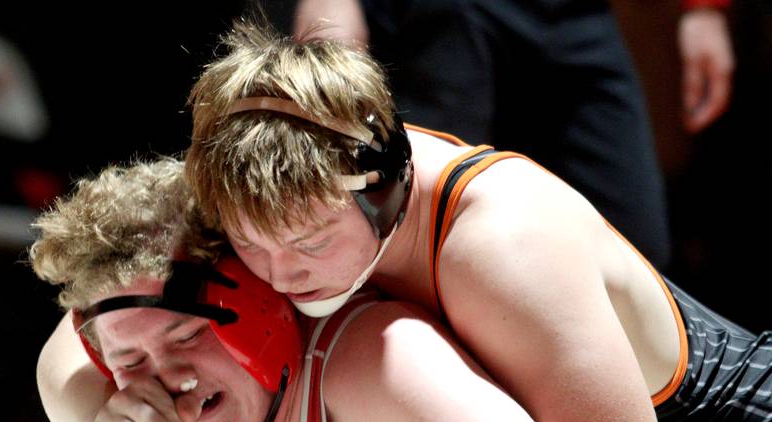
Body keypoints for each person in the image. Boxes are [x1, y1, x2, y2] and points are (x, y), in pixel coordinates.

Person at [36, 20, 770, 422]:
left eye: (314, 241)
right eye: (250, 247)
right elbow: (101, 298)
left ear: (384, 191)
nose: (281, 275)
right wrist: (89, 418)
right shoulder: (269, 190)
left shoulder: (501, 241)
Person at [29, 158, 590, 422]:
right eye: (129, 359)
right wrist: (87, 421)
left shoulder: (380, 366)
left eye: (190, 335)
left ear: (266, 296)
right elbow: (67, 358)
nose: (169, 377)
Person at [291, 0, 734, 270]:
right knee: (433, 239)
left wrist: (703, 9)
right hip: (439, 15)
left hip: (572, 13)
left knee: (636, 244)